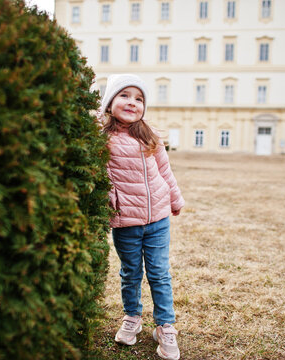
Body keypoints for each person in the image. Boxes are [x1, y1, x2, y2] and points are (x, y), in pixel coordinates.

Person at [99, 74, 185, 360]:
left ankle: (165, 326)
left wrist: (174, 197)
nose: (132, 103)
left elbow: (165, 170)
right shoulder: (102, 138)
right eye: (124, 95)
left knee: (160, 273)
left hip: (158, 219)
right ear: (109, 101)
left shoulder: (149, 136)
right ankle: (132, 317)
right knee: (131, 273)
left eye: (139, 99)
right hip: (126, 222)